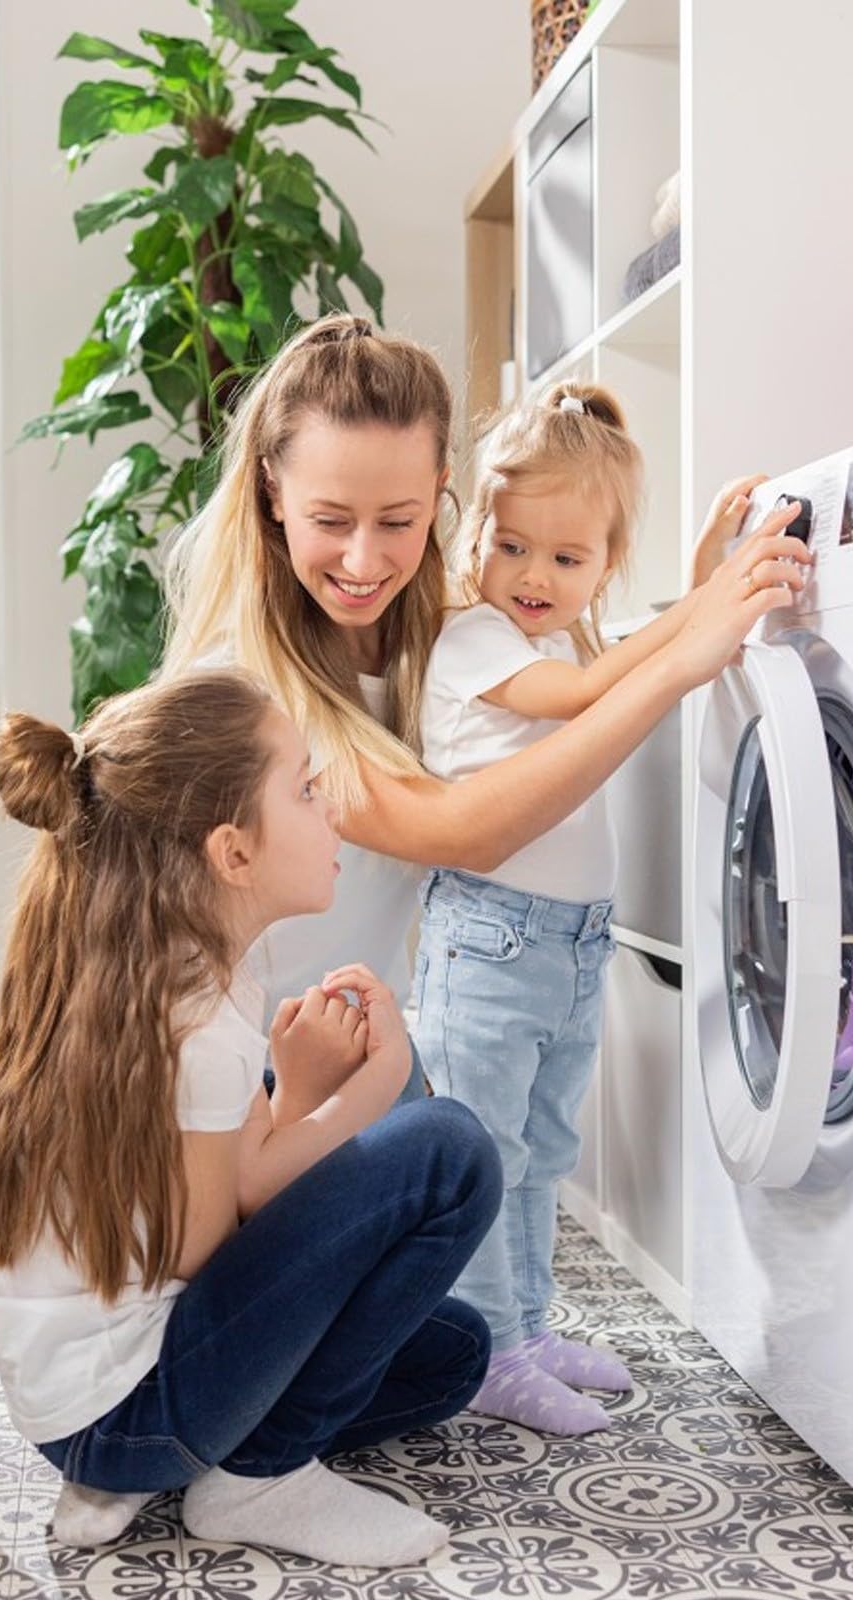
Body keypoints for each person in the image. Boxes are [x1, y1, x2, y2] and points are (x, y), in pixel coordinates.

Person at [0, 670, 501, 1567]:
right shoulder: (192, 1017)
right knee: (446, 1149)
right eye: (302, 787)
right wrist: (372, 1084)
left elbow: (223, 1200)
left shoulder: (181, 974)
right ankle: (259, 1476)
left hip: (114, 1396)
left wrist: (299, 1094)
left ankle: (152, 1475)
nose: (328, 802)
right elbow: (213, 1244)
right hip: (123, 1410)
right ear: (233, 853)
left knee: (450, 1354)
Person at [161, 314, 810, 1022]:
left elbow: (577, 661)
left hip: (362, 1062)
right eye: (332, 520)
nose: (363, 560)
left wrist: (696, 597)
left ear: (442, 492)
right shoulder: (246, 693)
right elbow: (465, 830)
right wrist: (687, 651)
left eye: (398, 521)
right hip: (242, 1082)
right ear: (271, 495)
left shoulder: (445, 637)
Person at [410, 382, 798, 1434]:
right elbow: (593, 699)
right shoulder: (475, 640)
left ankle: (524, 1328)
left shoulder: (561, 642)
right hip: (489, 941)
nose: (533, 576)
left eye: (568, 560)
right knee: (486, 1155)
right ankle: (483, 1347)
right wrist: (703, 615)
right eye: (512, 546)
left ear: (603, 566)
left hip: (565, 947)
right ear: (476, 537)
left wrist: (701, 582)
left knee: (539, 1149)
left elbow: (612, 661)